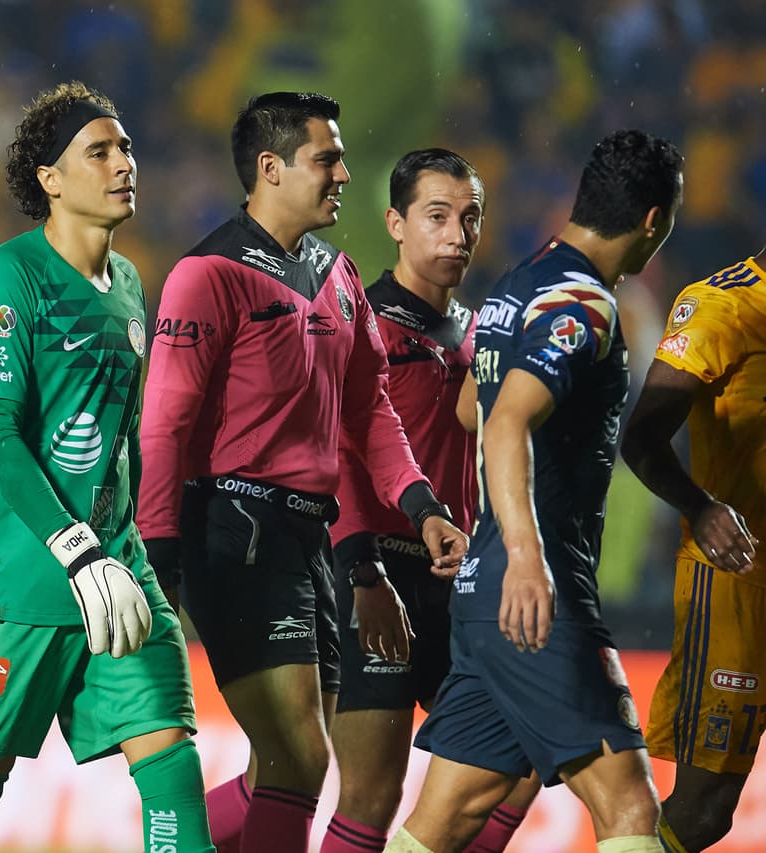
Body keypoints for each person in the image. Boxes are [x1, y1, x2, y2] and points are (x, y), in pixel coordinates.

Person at [137, 92, 468, 853]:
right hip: (235, 528)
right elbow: (166, 421)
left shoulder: (336, 273)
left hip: (309, 537)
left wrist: (421, 505)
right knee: (301, 759)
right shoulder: (208, 274)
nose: (345, 173)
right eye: (327, 158)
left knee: (278, 768)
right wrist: (158, 550)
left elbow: (369, 413)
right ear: (270, 168)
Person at [0, 82, 215, 853]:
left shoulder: (132, 285)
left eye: (126, 147)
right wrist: (74, 547)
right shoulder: (11, 277)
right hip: (25, 582)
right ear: (50, 178)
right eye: (98, 151)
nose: (122, 163)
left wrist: (135, 549)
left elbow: (124, 437)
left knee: (169, 761)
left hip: (117, 575)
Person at [387, 129, 684, 853]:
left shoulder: (517, 283)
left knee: (445, 820)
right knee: (630, 809)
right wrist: (525, 552)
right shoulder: (585, 305)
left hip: (485, 600)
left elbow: (472, 406)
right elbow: (506, 419)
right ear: (653, 221)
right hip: (537, 593)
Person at [321, 148, 539, 853]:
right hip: (377, 573)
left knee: (525, 750)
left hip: (459, 582)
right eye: (437, 216)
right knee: (372, 795)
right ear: (395, 222)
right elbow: (339, 460)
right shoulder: (365, 326)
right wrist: (361, 574)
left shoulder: (484, 334)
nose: (456, 235)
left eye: (470, 218)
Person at [620, 251, 765, 852]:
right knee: (706, 811)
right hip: (739, 576)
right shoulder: (721, 306)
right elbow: (644, 438)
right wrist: (700, 507)